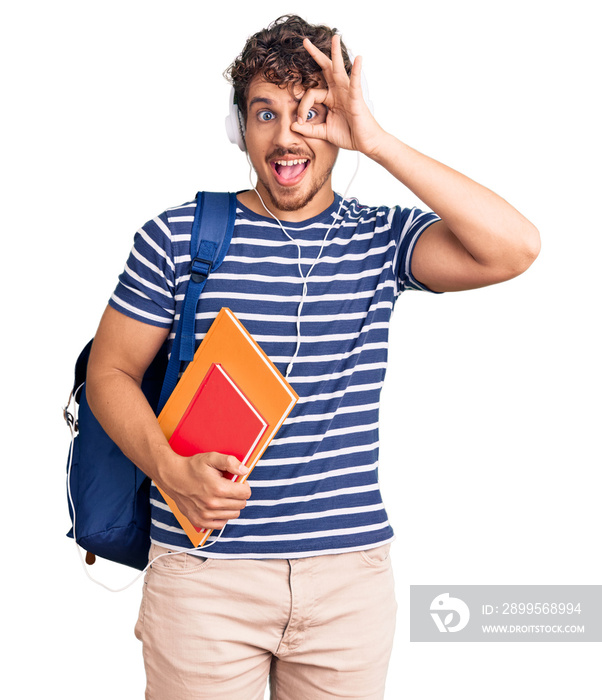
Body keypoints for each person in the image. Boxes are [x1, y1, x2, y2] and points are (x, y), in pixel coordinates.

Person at [86, 14, 540, 700]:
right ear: (239, 129)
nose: (288, 135)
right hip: (206, 578)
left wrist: (378, 142)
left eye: (313, 113)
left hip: (347, 584)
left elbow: (515, 247)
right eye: (265, 114)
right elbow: (110, 372)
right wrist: (169, 469)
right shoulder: (178, 236)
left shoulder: (381, 240)